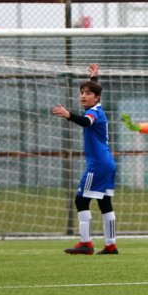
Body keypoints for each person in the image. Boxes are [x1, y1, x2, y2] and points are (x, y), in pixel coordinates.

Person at [51, 63, 118, 255]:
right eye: (82, 92)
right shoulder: (98, 108)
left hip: (97, 165)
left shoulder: (93, 113)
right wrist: (94, 79)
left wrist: (68, 115)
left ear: (95, 97)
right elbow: (94, 103)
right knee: (105, 203)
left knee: (81, 201)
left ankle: (86, 243)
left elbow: (86, 121)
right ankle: (111, 245)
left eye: (87, 93)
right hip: (107, 163)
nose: (83, 95)